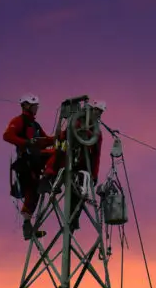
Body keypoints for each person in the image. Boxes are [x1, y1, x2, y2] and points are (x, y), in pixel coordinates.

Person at [40, 99, 106, 232]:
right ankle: (47, 180)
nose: (98, 113)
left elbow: (96, 155)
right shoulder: (75, 124)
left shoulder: (96, 134)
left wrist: (94, 175)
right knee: (58, 153)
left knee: (81, 194)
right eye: (96, 110)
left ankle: (73, 220)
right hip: (68, 161)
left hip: (83, 165)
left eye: (100, 112)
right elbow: (61, 137)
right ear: (89, 110)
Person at [3, 93, 54, 240]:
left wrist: (61, 137)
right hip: (27, 160)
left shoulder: (35, 125)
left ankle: (28, 227)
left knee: (34, 192)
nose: (36, 108)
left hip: (35, 161)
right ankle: (48, 177)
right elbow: (7, 135)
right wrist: (26, 143)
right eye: (34, 106)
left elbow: (45, 140)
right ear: (26, 106)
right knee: (33, 190)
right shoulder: (19, 121)